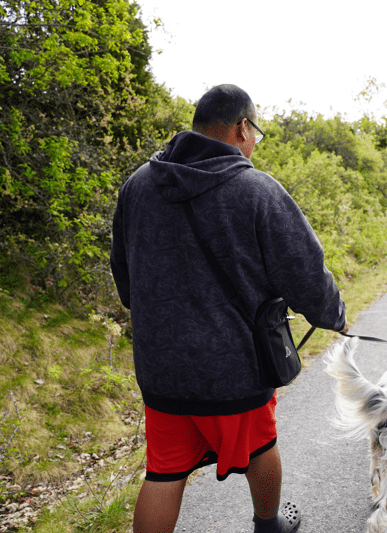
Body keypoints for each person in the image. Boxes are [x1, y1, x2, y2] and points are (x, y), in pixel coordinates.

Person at [110, 84, 348, 533]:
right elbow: (303, 271)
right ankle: (269, 524)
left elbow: (125, 273)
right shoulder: (256, 189)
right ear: (241, 128)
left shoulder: (138, 185)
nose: (255, 142)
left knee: (164, 472)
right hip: (234, 366)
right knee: (261, 446)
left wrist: (156, 322)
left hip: (162, 367)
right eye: (255, 131)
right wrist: (333, 315)